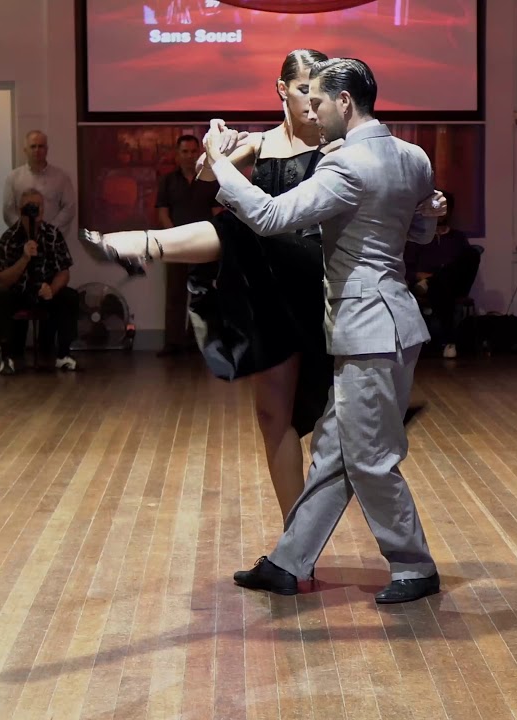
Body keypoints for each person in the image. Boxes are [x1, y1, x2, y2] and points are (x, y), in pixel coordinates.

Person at [207, 58, 445, 604]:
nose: (310, 112)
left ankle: (414, 566)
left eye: (317, 102)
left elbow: (267, 217)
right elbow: (426, 229)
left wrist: (220, 164)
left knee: (369, 460)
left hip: (368, 330)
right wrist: (435, 211)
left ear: (345, 102)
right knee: (335, 453)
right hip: (391, 325)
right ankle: (289, 562)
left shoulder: (345, 167)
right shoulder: (413, 155)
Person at [81, 49, 335, 522]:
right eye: (303, 89)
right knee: (272, 418)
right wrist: (215, 145)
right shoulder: (259, 144)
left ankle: (139, 244)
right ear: (281, 89)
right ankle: (295, 543)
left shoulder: (336, 145)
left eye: (319, 91)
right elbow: (202, 173)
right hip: (269, 290)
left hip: (313, 282)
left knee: (238, 228)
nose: (312, 101)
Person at [0, 189, 79, 375]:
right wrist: (24, 258)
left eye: (38, 205)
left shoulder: (53, 234)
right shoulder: (9, 238)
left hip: (45, 291)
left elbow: (64, 271)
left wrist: (52, 289)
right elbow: (2, 280)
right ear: (20, 209)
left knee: (70, 296)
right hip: (18, 292)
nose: (35, 210)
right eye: (30, 206)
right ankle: (7, 358)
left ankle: (64, 354)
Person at [154, 133, 219, 356]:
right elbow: (162, 212)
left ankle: (196, 343)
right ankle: (173, 343)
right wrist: (174, 237)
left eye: (193, 151)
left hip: (203, 246)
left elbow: (218, 211)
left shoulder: (209, 179)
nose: (189, 156)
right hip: (175, 246)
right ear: (177, 155)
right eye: (185, 152)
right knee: (174, 295)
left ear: (199, 153)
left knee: (201, 294)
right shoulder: (168, 181)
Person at [406, 191, 480, 357]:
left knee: (472, 254)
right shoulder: (418, 237)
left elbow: (464, 269)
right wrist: (421, 276)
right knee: (441, 289)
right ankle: (449, 341)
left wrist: (434, 279)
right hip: (425, 285)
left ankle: (434, 282)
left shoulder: (458, 237)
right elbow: (406, 268)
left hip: (450, 285)